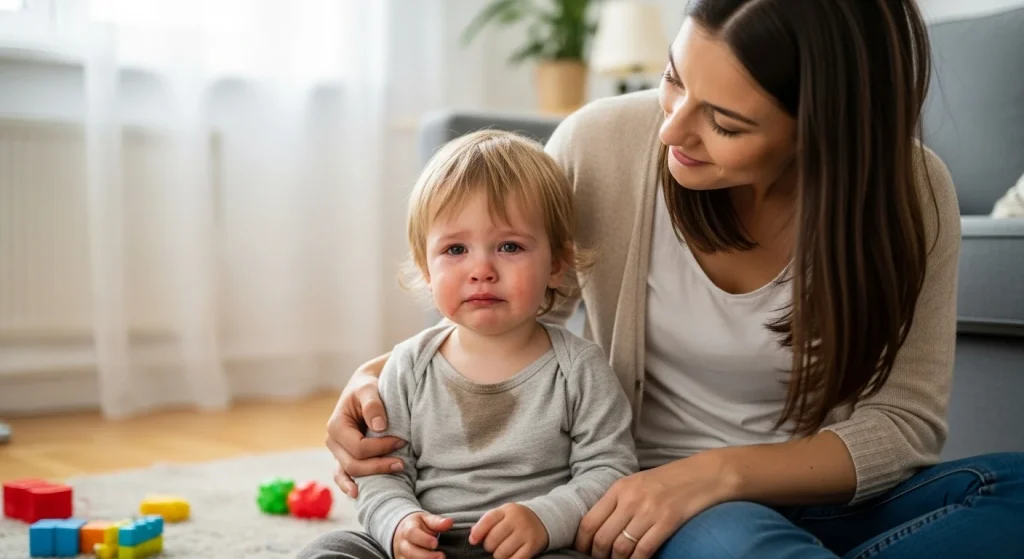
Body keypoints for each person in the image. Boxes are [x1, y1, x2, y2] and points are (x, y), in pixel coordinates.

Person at [325, 0, 1024, 557]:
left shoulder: (912, 194)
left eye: (724, 122)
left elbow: (904, 423)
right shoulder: (600, 147)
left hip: (826, 500)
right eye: (674, 79)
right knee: (743, 541)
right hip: (667, 512)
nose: (672, 131)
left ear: (821, 130)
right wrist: (375, 380)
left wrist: (717, 473)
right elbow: (501, 315)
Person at [299, 130, 637, 559]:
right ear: (426, 268)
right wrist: (399, 524)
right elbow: (382, 472)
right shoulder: (407, 366)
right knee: (330, 549)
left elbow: (609, 470)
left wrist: (545, 519)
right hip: (428, 546)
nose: (481, 270)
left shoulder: (580, 368)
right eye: (456, 249)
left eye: (509, 246)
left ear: (557, 264)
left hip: (530, 549)